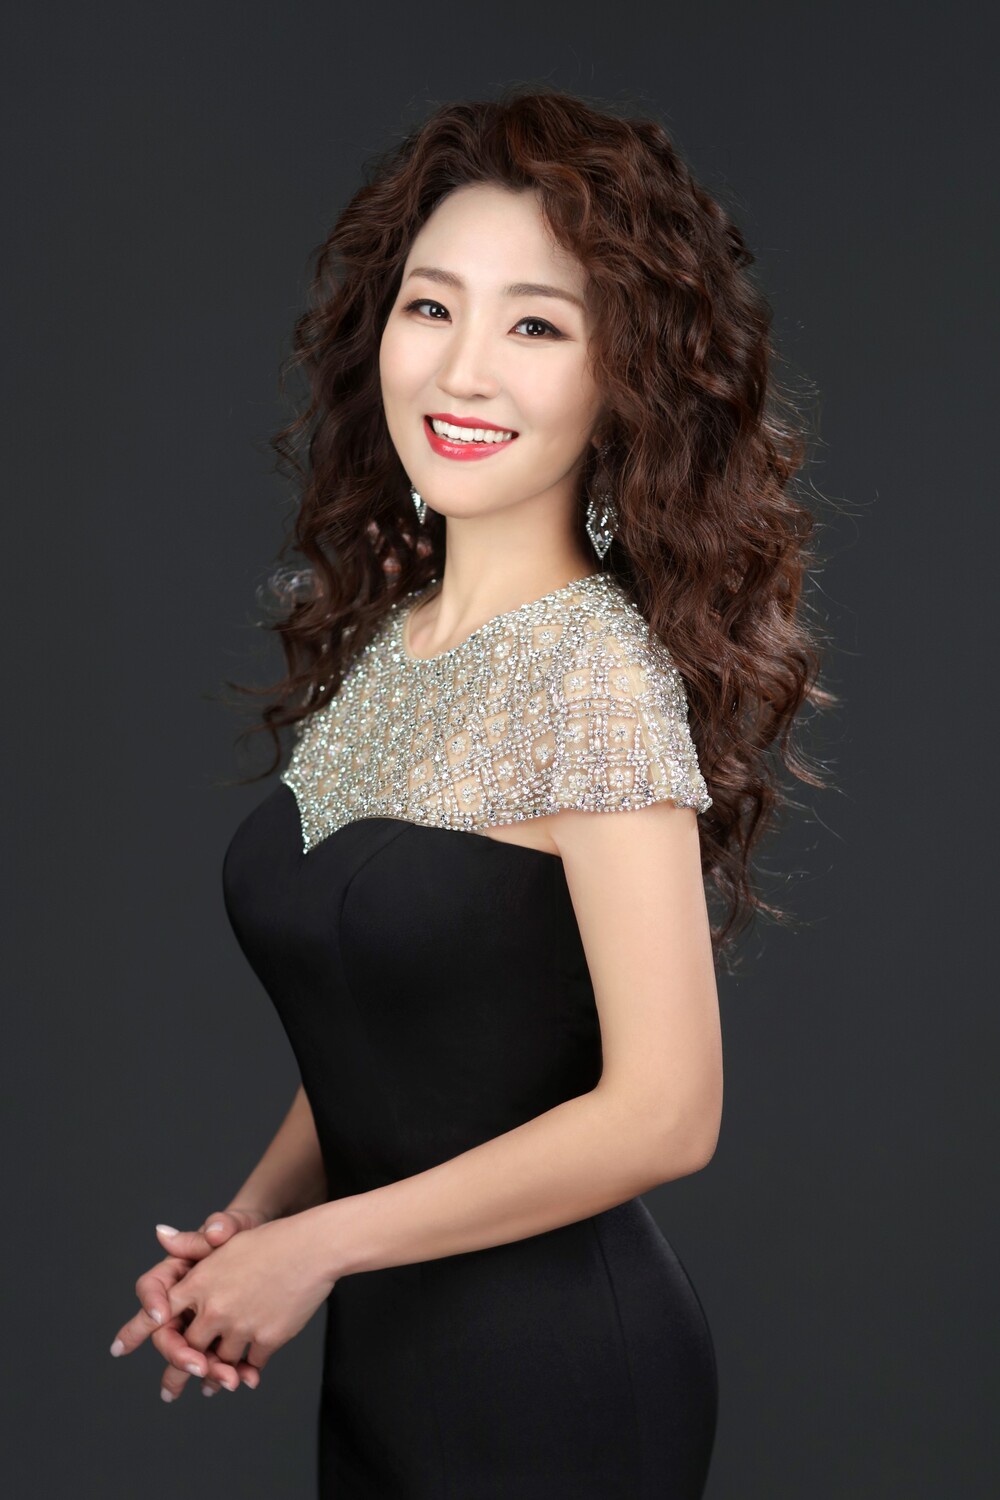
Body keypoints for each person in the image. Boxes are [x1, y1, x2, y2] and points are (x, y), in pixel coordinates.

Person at [109, 86, 831, 1498]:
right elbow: (402, 1023)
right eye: (432, 307)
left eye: (537, 327)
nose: (463, 370)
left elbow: (668, 1112)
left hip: (558, 1379)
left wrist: (315, 1249)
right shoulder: (399, 638)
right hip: (391, 1358)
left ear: (625, 381)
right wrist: (253, 1223)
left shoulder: (593, 677)